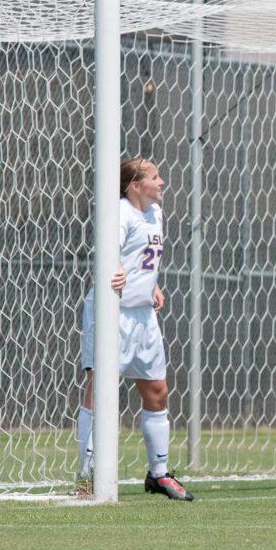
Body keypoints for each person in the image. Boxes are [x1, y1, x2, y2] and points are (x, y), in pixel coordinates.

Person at [76, 157, 192, 501]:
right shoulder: (120, 212)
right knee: (100, 387)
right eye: (154, 177)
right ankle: (88, 476)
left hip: (143, 316)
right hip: (113, 313)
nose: (162, 181)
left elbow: (144, 257)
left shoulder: (155, 214)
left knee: (158, 390)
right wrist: (115, 272)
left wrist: (151, 286)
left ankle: (158, 475)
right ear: (134, 185)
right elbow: (108, 259)